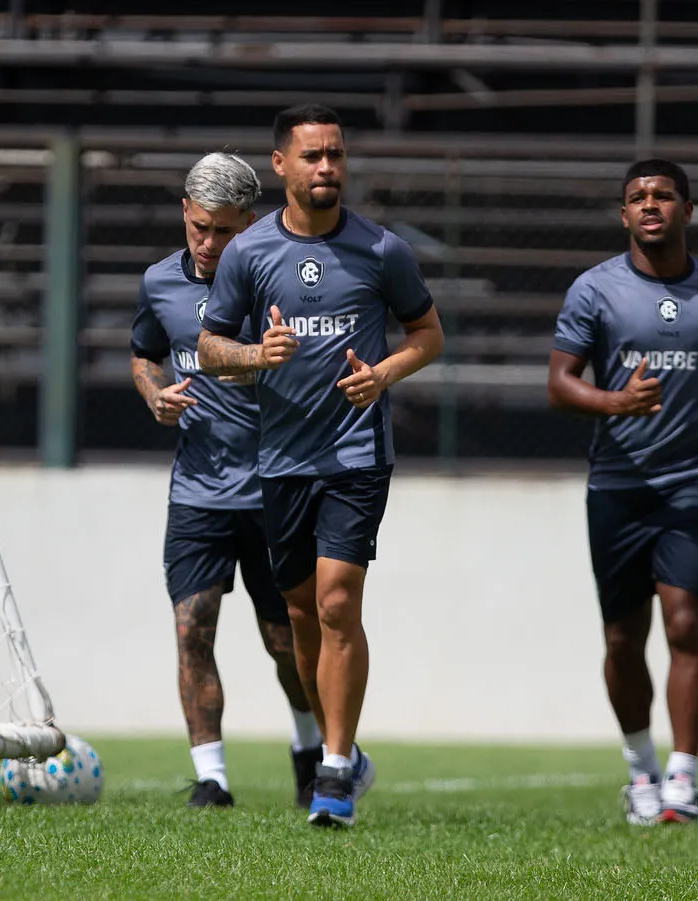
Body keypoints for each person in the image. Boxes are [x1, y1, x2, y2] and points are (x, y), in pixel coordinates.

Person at [197, 103, 445, 828]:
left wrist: (386, 372)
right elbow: (213, 348)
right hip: (281, 459)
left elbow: (429, 333)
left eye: (335, 154)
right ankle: (347, 750)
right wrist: (256, 354)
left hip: (356, 453)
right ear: (281, 165)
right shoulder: (249, 254)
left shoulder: (381, 250)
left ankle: (336, 765)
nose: (327, 167)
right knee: (301, 614)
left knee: (337, 601)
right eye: (312, 156)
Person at [547, 159, 698, 826]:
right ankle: (640, 768)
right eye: (638, 197)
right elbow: (559, 381)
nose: (650, 205)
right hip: (617, 484)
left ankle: (683, 777)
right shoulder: (596, 289)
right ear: (623, 215)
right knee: (621, 638)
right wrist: (616, 400)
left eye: (663, 195)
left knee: (686, 625)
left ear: (687, 210)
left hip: (693, 480)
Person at [130, 152, 323, 810]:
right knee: (193, 626)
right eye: (200, 227)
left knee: (285, 641)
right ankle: (211, 776)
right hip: (199, 492)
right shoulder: (159, 283)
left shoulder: (283, 280)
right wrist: (155, 395)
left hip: (275, 486)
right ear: (185, 211)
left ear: (252, 222)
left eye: (226, 231)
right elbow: (144, 355)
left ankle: (309, 746)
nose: (210, 243)